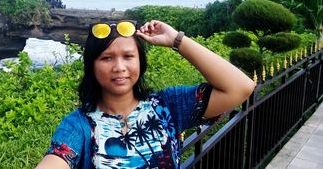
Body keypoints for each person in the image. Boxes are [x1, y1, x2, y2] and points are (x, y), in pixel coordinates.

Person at [36, 20, 255, 169]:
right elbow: (57, 159)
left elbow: (240, 87)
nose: (119, 67)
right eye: (106, 58)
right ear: (91, 66)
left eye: (128, 56)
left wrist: (177, 40)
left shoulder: (166, 106)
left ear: (140, 61)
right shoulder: (79, 125)